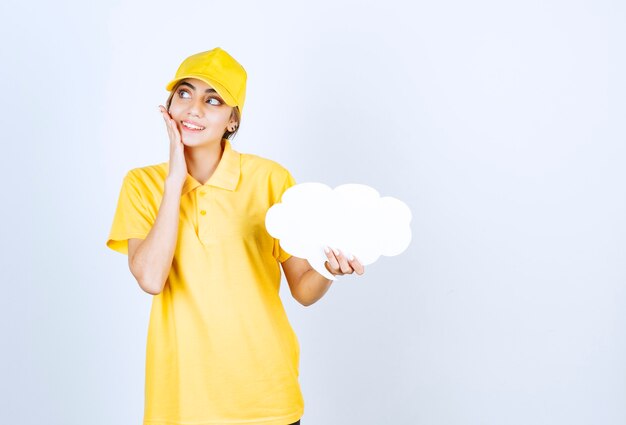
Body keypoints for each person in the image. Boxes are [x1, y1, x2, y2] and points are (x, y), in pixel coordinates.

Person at [106, 47, 365, 425]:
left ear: (232, 120)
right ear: (169, 106)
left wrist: (328, 270)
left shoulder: (270, 179)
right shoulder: (143, 184)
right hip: (180, 403)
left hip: (265, 399)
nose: (194, 108)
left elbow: (303, 291)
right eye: (184, 93)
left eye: (212, 100)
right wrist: (175, 180)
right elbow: (150, 278)